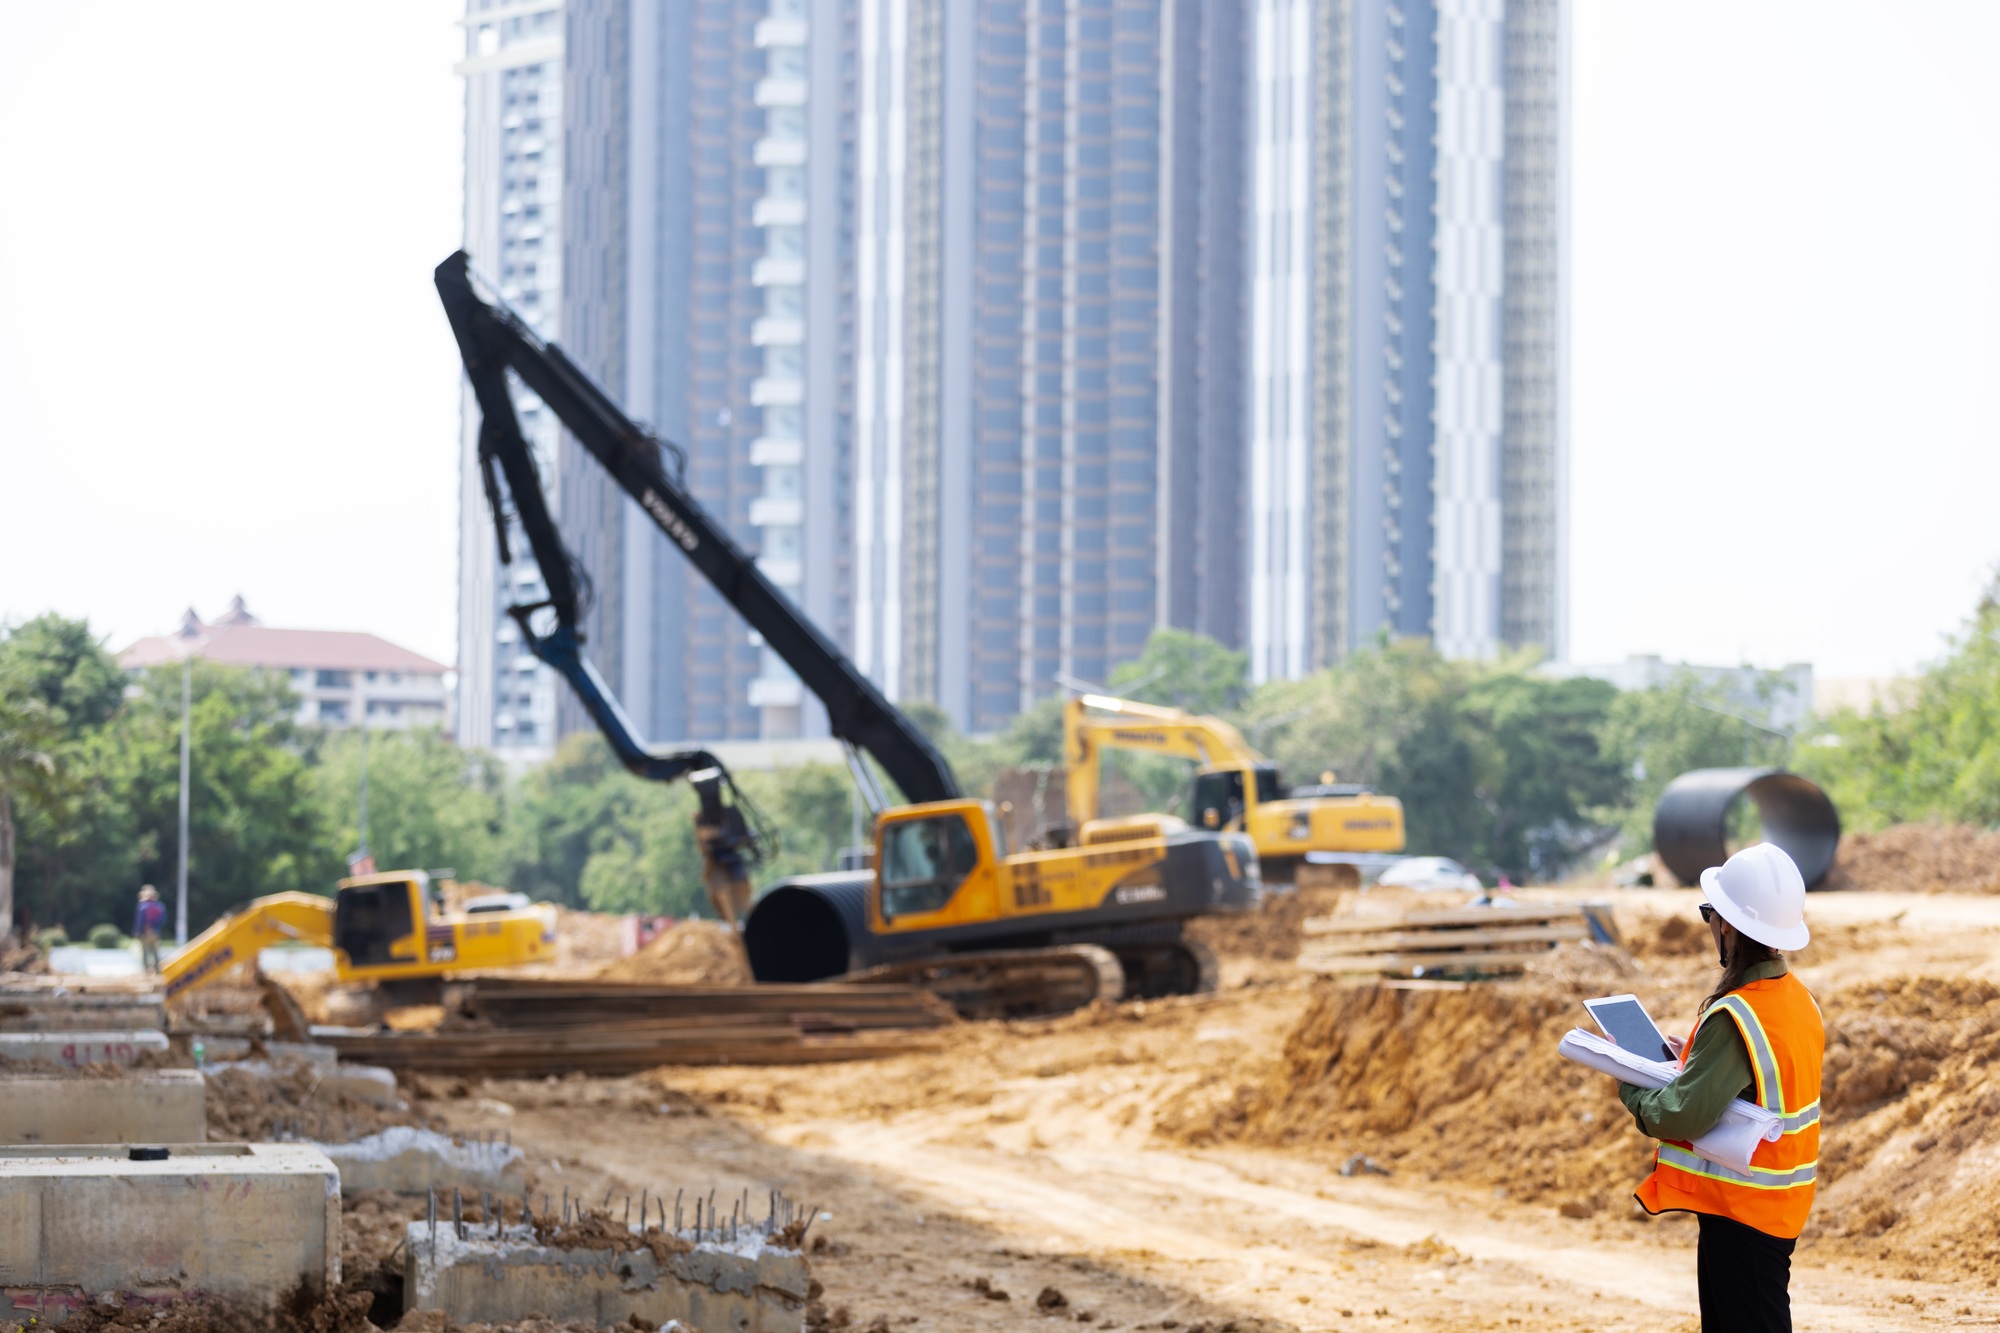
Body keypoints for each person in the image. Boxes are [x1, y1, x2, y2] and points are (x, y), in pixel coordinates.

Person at [1619, 843, 1823, 1333]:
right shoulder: (1797, 1001)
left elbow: (1682, 1115)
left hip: (1743, 1215)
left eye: (1710, 913)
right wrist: (1696, 1061)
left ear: (1728, 925)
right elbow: (1759, 1081)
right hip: (1773, 1207)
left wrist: (1630, 1081)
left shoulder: (1737, 1015)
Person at [133, 885, 167, 974]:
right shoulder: (159, 906)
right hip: (155, 932)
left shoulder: (142, 906)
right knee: (155, 952)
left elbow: (140, 920)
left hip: (145, 933)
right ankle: (157, 971)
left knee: (145, 952)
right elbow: (162, 919)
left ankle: (146, 971)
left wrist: (138, 931)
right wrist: (155, 928)